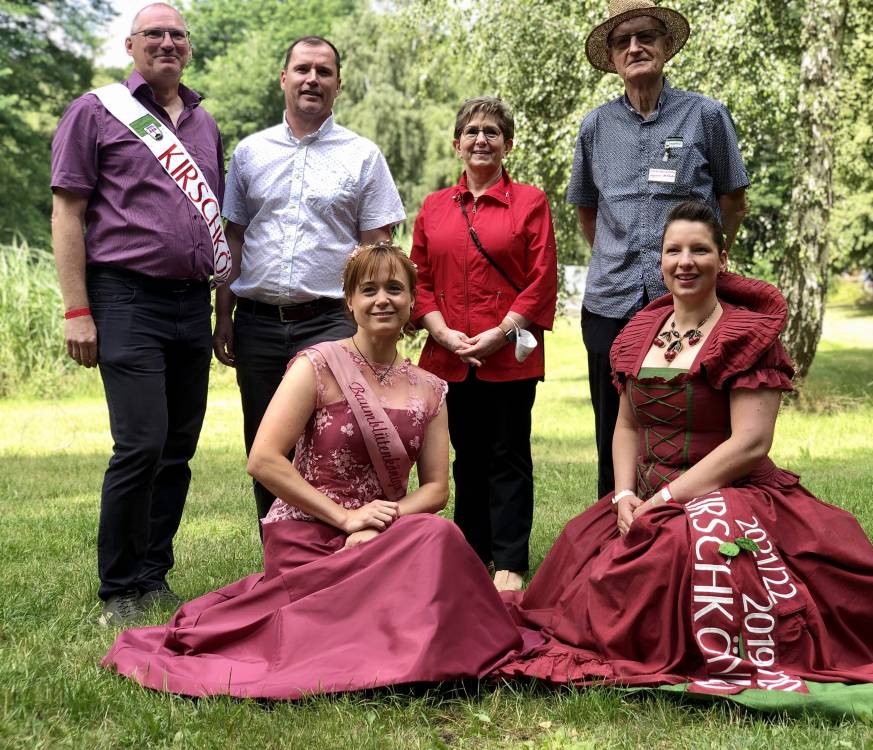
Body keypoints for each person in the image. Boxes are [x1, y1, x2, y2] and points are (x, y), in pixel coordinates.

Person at [495, 202, 873, 716]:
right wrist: (626, 494)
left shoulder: (744, 335)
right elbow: (627, 425)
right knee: (581, 563)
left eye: (699, 249)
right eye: (674, 250)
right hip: (645, 495)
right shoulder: (639, 332)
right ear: (660, 260)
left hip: (731, 493)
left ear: (723, 257)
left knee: (668, 560)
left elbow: (750, 444)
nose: (685, 261)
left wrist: (667, 500)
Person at [102, 243, 525, 697]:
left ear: (412, 300)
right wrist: (346, 519)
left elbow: (437, 489)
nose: (383, 299)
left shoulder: (431, 388)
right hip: (309, 534)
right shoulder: (317, 365)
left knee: (441, 536)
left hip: (383, 536)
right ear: (349, 302)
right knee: (432, 554)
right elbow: (262, 459)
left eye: (395, 289)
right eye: (369, 289)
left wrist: (380, 523)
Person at [50, 3, 225, 626]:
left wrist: (221, 310)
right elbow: (68, 213)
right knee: (141, 443)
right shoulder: (95, 111)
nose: (167, 42)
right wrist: (77, 311)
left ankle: (153, 577)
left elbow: (216, 221)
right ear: (131, 45)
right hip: (124, 298)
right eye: (155, 33)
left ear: (189, 48)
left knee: (178, 446)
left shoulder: (205, 124)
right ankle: (118, 588)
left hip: (189, 303)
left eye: (178, 34)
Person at [214, 35, 406, 524]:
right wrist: (222, 315)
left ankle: (340, 556)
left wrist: (377, 329)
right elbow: (231, 239)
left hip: (331, 325)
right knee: (265, 444)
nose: (312, 79)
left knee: (336, 443)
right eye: (302, 69)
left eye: (324, 72)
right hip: (257, 324)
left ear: (338, 85)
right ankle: (279, 554)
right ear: (284, 78)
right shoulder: (250, 153)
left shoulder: (363, 156)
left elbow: (377, 254)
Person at [570, 1, 751, 498]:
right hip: (611, 302)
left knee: (692, 417)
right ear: (611, 55)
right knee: (613, 427)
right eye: (622, 40)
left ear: (666, 45)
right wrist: (615, 254)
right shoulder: (595, 127)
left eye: (646, 35)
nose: (635, 47)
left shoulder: (706, 115)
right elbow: (588, 210)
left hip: (689, 300)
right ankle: (612, 529)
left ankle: (691, 528)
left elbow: (733, 199)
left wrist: (710, 258)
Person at [410, 97, 558, 592]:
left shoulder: (531, 203)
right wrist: (442, 333)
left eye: (492, 132)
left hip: (508, 355)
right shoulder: (432, 208)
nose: (481, 139)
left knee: (508, 456)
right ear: (457, 144)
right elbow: (419, 279)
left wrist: (499, 333)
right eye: (471, 131)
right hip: (448, 356)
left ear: (507, 144)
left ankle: (511, 561)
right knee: (465, 458)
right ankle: (474, 554)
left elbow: (541, 280)